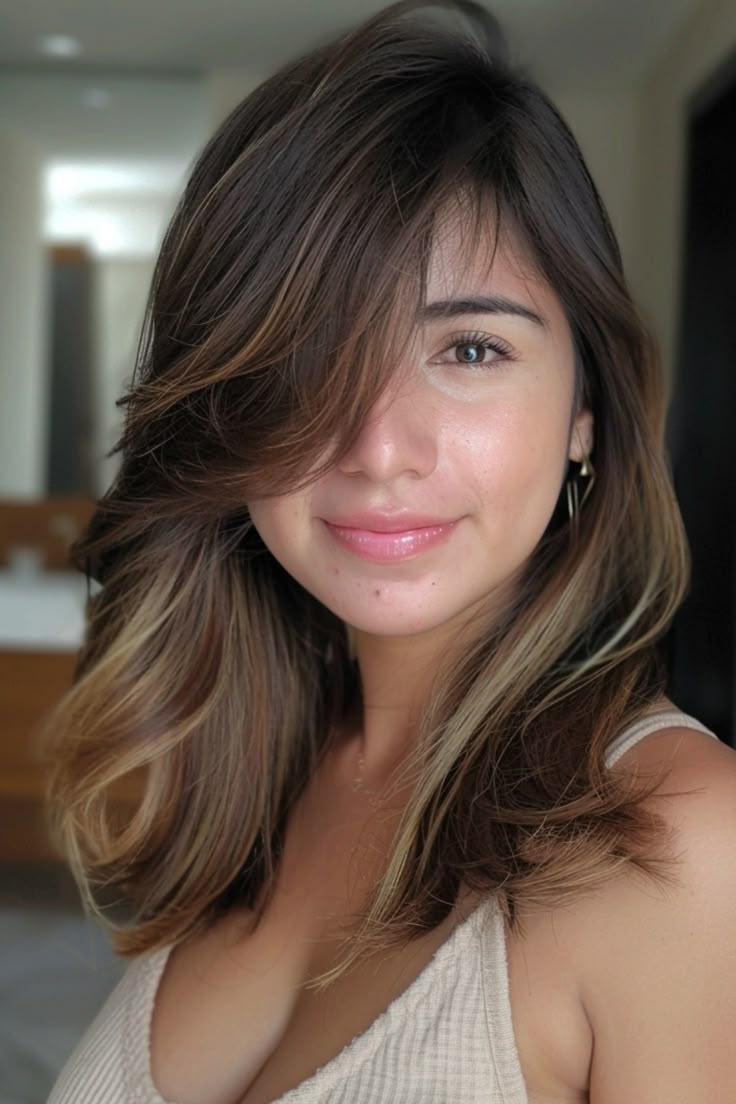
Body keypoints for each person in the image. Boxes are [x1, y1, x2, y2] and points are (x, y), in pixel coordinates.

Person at [44, 2, 735, 1101]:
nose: (376, 448)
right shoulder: (251, 763)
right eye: (312, 354)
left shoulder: (680, 845)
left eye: (470, 349)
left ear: (585, 411)